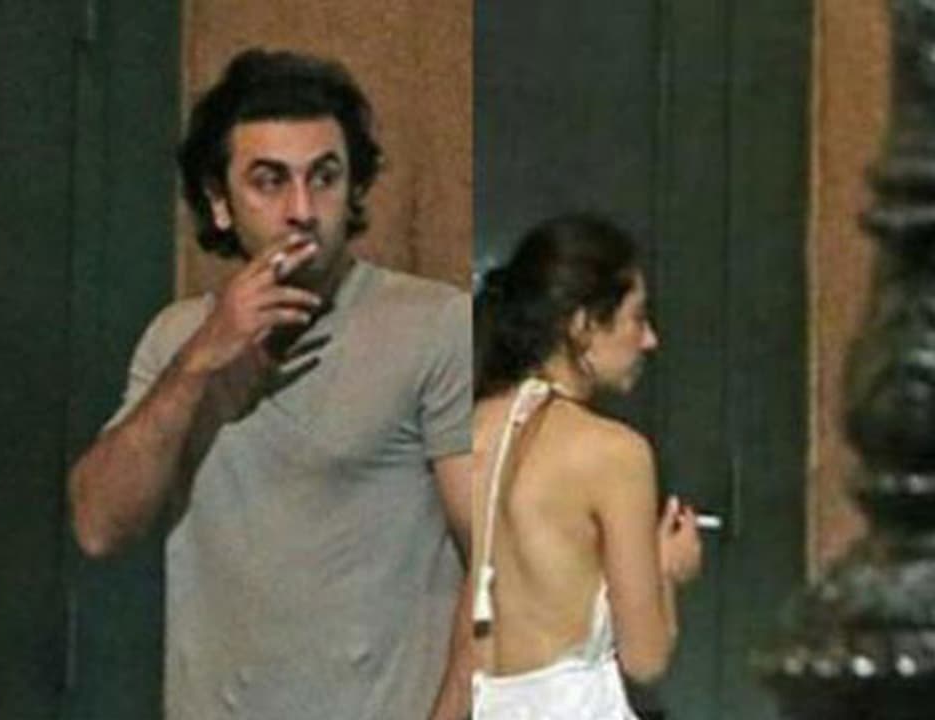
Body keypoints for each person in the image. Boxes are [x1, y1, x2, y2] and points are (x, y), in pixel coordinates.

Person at [68, 48, 472, 719]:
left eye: (325, 177)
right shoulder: (177, 338)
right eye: (269, 181)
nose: (302, 209)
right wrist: (201, 360)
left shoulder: (434, 325)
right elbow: (98, 526)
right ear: (220, 203)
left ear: (354, 188)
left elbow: (495, 566)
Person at [470, 214, 701, 719]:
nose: (650, 340)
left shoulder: (467, 429)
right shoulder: (614, 454)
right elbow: (646, 659)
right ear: (582, 325)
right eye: (637, 318)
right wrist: (667, 570)